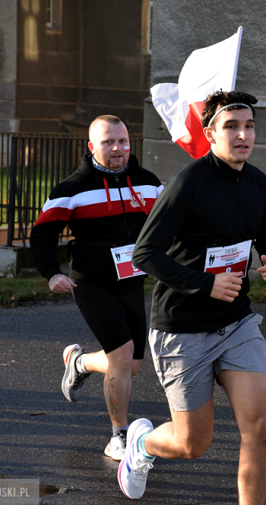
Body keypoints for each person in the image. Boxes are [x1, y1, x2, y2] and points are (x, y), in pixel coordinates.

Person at [120, 90, 266, 505]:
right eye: (231, 126)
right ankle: (140, 445)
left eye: (249, 126)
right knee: (193, 444)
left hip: (236, 322)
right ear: (210, 132)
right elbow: (145, 254)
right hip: (182, 327)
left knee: (262, 428)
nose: (243, 135)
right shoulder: (187, 183)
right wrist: (205, 284)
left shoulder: (257, 182)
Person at [30, 115, 163, 461]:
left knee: (131, 366)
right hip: (90, 282)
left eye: (123, 141)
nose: (117, 148)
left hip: (132, 281)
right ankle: (119, 435)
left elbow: (171, 226)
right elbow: (42, 233)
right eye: (108, 142)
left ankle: (79, 363)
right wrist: (50, 273)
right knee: (121, 357)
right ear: (92, 147)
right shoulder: (72, 189)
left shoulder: (149, 184)